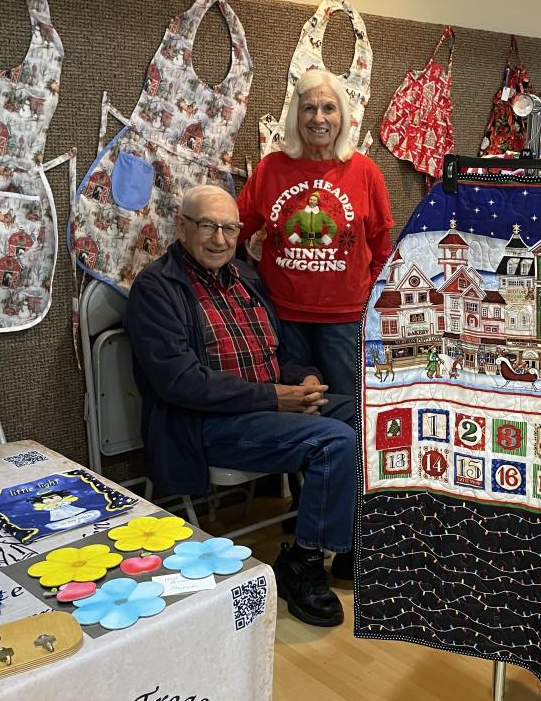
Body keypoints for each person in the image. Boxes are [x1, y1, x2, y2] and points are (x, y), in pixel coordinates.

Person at [127, 184, 355, 626]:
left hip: (271, 405)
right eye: (208, 226)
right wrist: (275, 397)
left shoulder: (247, 279)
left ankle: (344, 545)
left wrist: (303, 379)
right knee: (334, 442)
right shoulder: (157, 289)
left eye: (230, 228)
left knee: (374, 417)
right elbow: (182, 383)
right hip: (207, 424)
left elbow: (279, 355)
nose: (220, 239)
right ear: (181, 227)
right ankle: (303, 565)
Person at [237, 69, 393, 396]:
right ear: (296, 115)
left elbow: (382, 251)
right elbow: (235, 229)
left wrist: (371, 306)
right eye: (309, 108)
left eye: (328, 108)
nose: (318, 118)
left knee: (348, 406)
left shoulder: (366, 172)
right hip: (282, 316)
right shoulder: (271, 169)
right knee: (294, 408)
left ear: (342, 116)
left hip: (345, 320)